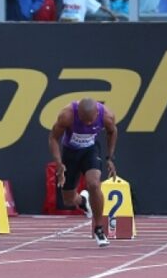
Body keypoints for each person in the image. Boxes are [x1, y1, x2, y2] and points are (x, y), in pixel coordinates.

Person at [48, 97, 118, 247]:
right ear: (77, 114)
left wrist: (110, 158)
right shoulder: (66, 115)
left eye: (90, 121)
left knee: (94, 184)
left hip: (90, 150)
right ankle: (83, 202)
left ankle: (99, 228)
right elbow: (53, 137)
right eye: (83, 120)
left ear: (96, 115)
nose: (87, 124)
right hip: (70, 152)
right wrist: (59, 163)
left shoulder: (107, 116)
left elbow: (112, 132)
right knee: (68, 200)